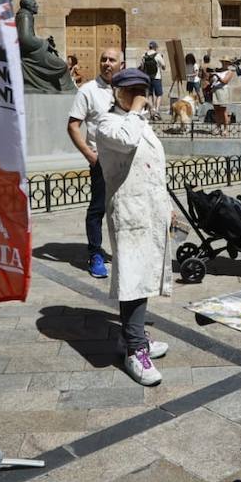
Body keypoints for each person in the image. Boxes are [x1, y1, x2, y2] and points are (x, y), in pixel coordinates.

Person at [95, 67, 173, 386]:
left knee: (144, 276)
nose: (137, 96)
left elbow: (153, 165)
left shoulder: (136, 120)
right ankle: (134, 350)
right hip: (129, 211)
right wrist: (139, 109)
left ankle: (133, 336)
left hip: (149, 209)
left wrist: (166, 206)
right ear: (118, 93)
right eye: (131, 91)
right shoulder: (109, 123)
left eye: (141, 90)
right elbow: (127, 142)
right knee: (132, 278)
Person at [66, 48, 119, 279]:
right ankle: (95, 254)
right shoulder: (88, 91)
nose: (107, 63)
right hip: (102, 160)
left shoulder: (128, 88)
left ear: (121, 64)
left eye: (112, 60)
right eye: (103, 59)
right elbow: (73, 125)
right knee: (98, 208)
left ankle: (124, 252)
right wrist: (89, 154)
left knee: (125, 207)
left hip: (126, 160)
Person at [140, 40, 166, 115]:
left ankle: (151, 110)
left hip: (148, 78)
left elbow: (142, 67)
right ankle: (156, 110)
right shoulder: (158, 56)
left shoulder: (144, 55)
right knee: (159, 94)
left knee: (150, 94)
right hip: (157, 77)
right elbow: (164, 67)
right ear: (155, 47)